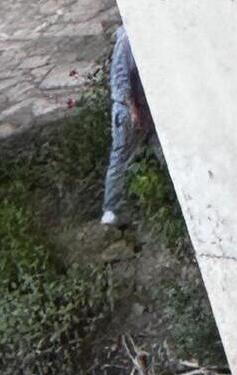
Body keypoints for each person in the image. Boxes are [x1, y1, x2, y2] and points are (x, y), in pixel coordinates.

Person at [100, 24, 153, 227]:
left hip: (144, 108)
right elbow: (121, 80)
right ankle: (111, 209)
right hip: (128, 110)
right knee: (121, 158)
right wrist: (133, 110)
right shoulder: (127, 41)